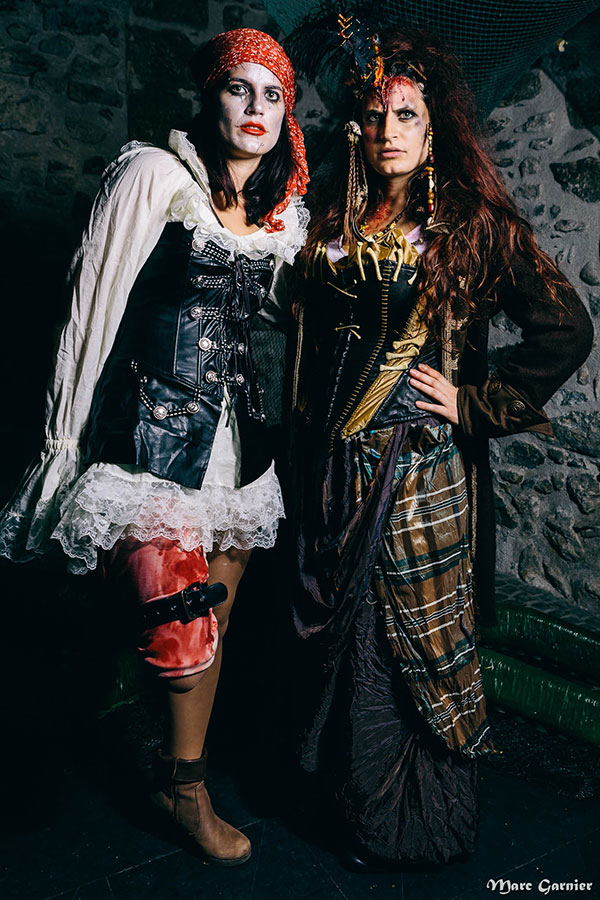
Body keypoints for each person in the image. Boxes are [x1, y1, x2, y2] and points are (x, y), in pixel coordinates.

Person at [287, 23, 593, 869]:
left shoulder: (469, 224)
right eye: (375, 114)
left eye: (407, 116)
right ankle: (357, 815)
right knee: (354, 641)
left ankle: (417, 827)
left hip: (418, 472)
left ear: (433, 131)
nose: (387, 130)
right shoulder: (335, 217)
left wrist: (472, 404)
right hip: (334, 471)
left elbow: (566, 328)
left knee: (410, 642)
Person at [0, 28, 308, 866]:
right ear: (210, 97)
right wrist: (62, 442)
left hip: (238, 458)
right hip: (149, 448)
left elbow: (286, 317)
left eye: (273, 95)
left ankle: (181, 774)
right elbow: (89, 305)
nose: (255, 108)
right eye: (239, 88)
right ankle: (182, 789)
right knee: (182, 638)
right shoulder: (154, 176)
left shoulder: (280, 218)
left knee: (219, 622)